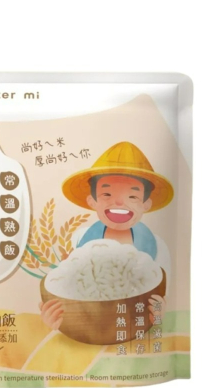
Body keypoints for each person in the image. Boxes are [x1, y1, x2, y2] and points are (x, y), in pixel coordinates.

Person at [39, 141, 174, 331]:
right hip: (87, 328)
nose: (118, 202)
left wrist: (158, 314)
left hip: (133, 328)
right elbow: (66, 289)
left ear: (146, 204)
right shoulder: (79, 238)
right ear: (92, 201)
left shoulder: (158, 246)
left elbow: (162, 296)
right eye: (107, 194)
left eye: (132, 196)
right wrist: (53, 319)